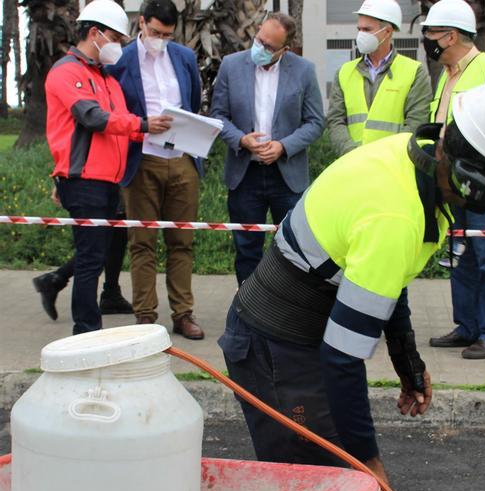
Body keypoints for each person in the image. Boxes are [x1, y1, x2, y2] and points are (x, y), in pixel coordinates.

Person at [217, 81, 485, 484]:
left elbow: (385, 283)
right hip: (276, 353)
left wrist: (407, 362)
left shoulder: (410, 161)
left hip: (290, 343)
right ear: (477, 182)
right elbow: (342, 358)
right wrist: (370, 467)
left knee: (333, 476)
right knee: (331, 481)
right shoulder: (395, 219)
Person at [45, 0, 171, 335]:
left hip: (108, 179)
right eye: (114, 37)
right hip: (84, 180)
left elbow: (122, 124)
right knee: (90, 258)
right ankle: (86, 331)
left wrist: (145, 127)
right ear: (94, 33)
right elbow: (93, 117)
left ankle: (74, 303)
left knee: (102, 251)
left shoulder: (106, 79)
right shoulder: (66, 72)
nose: (117, 46)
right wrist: (143, 124)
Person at [422, 0, 485, 359]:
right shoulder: (447, 75)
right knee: (459, 255)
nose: (428, 40)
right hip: (452, 182)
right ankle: (468, 327)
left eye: (431, 33)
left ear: (449, 36)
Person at [106, 0, 204, 339]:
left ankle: (183, 315)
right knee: (142, 242)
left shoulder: (184, 58)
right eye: (155, 32)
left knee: (182, 242)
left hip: (181, 161)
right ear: (141, 23)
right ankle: (146, 317)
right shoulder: (121, 60)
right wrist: (145, 126)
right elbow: (113, 110)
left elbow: (193, 105)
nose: (160, 39)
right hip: (141, 159)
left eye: (167, 34)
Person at [210, 13, 324, 285]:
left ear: (285, 49)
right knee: (247, 248)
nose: (260, 48)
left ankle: (286, 313)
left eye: (269, 47)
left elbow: (316, 122)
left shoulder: (304, 70)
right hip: (244, 174)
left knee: (293, 249)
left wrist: (283, 146)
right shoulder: (231, 65)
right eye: (259, 40)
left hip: (286, 177)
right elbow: (218, 116)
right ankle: (247, 314)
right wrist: (241, 139)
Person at [325, 0, 431, 157]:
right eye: (359, 29)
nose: (360, 35)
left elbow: (416, 123)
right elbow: (335, 121)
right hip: (352, 164)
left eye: (367, 29)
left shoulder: (414, 71)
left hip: (393, 166)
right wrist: (351, 152)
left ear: (387, 32)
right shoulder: (344, 72)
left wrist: (385, 158)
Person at [32, 200, 132, 321]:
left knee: (115, 235)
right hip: (105, 188)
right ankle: (55, 279)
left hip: (108, 188)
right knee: (99, 243)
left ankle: (111, 293)